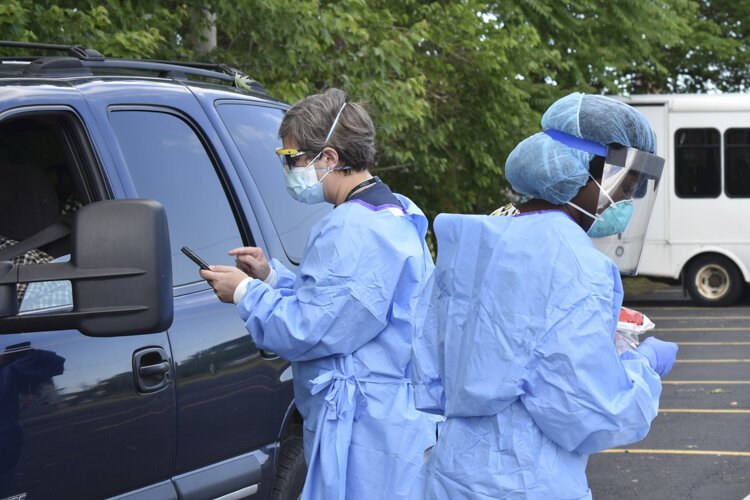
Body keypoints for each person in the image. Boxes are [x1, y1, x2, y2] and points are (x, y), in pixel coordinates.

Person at [412, 92, 678, 499]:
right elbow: (589, 412)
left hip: (453, 472)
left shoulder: (476, 239)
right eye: (624, 182)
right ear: (580, 170)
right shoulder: (576, 264)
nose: (625, 198)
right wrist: (641, 371)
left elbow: (431, 364)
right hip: (527, 478)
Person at [200, 88, 438, 499]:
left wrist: (244, 294)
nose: (289, 169)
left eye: (291, 158)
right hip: (391, 417)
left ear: (328, 158)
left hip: (365, 430)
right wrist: (272, 278)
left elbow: (311, 329)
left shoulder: (354, 229)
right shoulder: (392, 210)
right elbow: (345, 304)